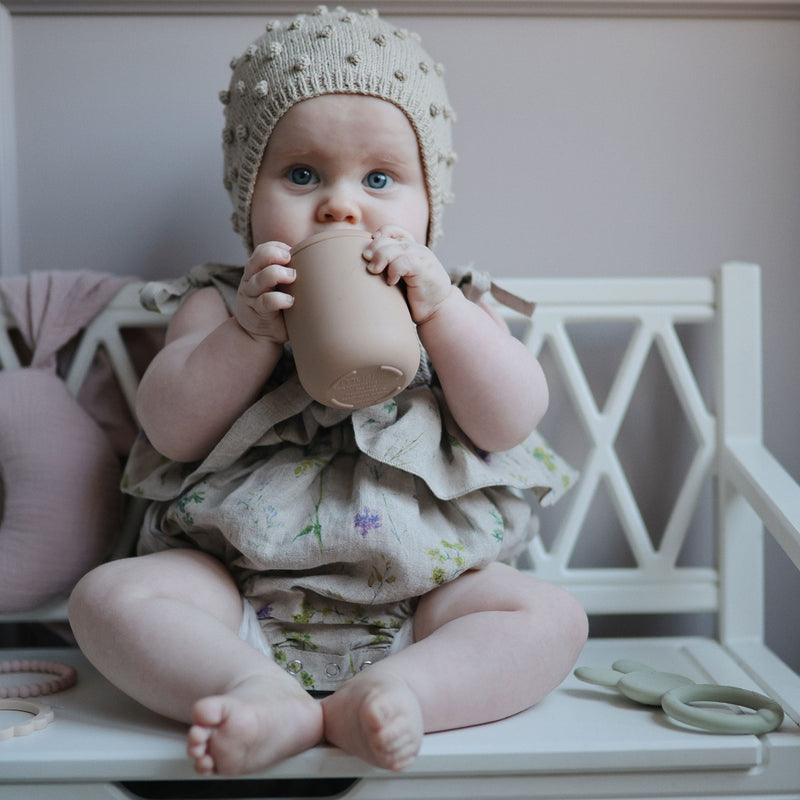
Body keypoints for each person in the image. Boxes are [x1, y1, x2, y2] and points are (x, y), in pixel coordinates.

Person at [69, 6, 588, 777]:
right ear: (249, 201)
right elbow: (171, 431)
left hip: (426, 606)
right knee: (108, 597)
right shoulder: (221, 304)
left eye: (380, 179)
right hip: (237, 600)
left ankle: (398, 691)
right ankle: (255, 690)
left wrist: (442, 313)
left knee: (549, 617)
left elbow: (511, 420)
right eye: (303, 174)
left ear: (427, 209)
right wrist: (250, 334)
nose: (341, 206)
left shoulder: (449, 303)